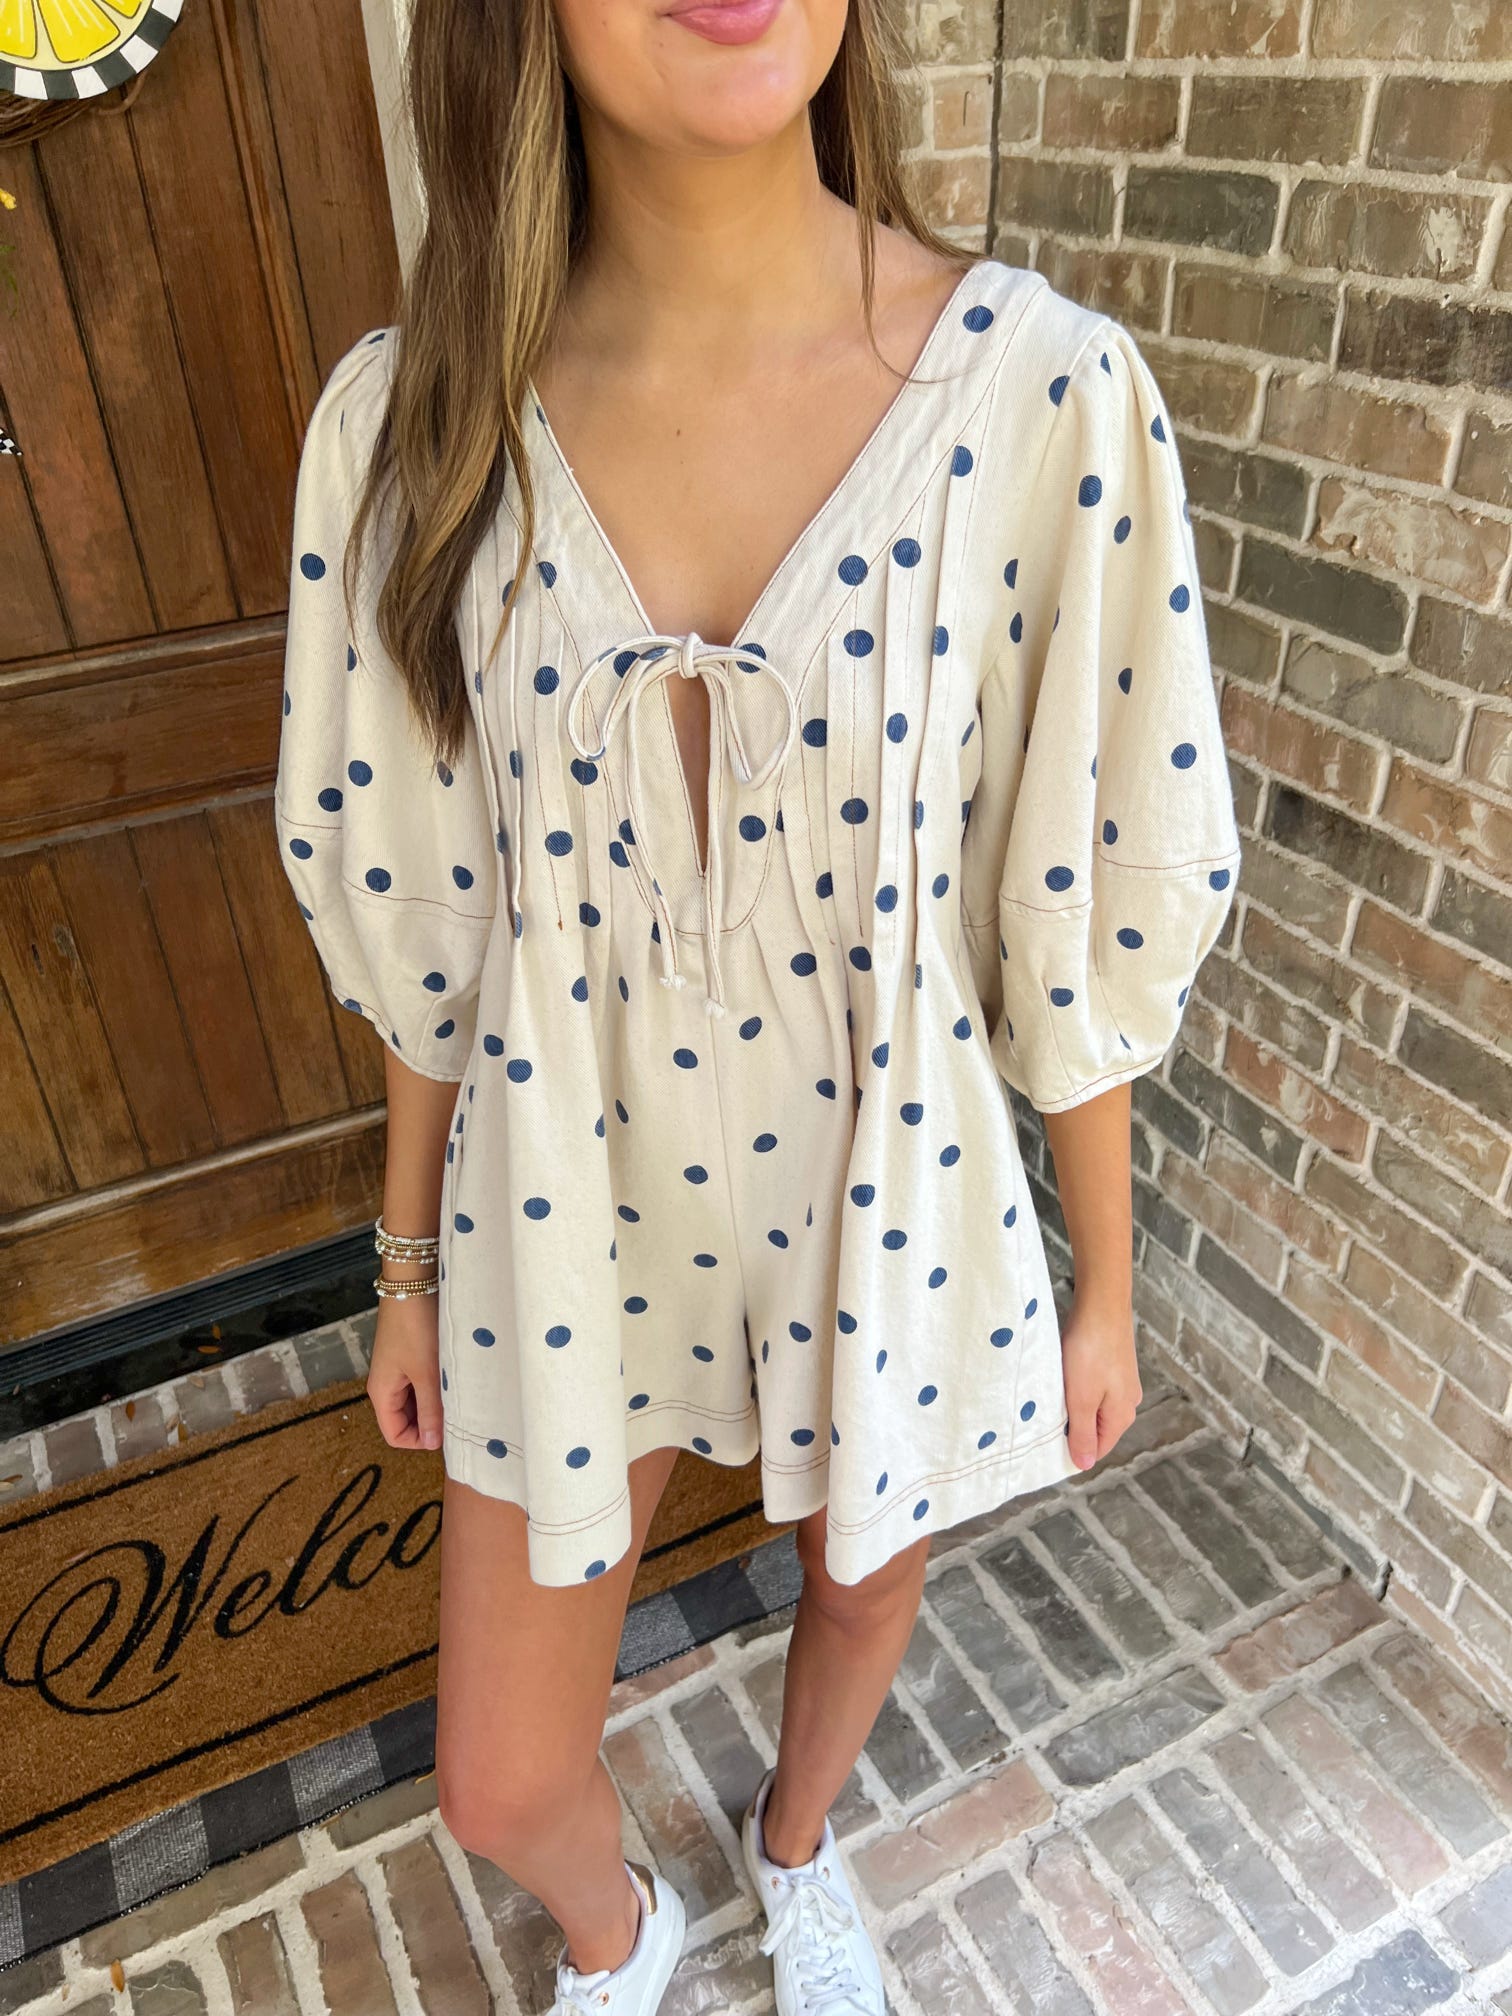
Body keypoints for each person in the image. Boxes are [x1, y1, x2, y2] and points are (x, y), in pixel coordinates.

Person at [273, 0, 1243, 2007]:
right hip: (568, 1188)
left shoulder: (1041, 396)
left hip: (885, 1177)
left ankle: (802, 1850)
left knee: (860, 1582)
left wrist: (1108, 1284)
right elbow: (424, 903)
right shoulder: (412, 424)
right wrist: (401, 1261)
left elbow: (1075, 889)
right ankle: (618, 1937)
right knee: (501, 1773)